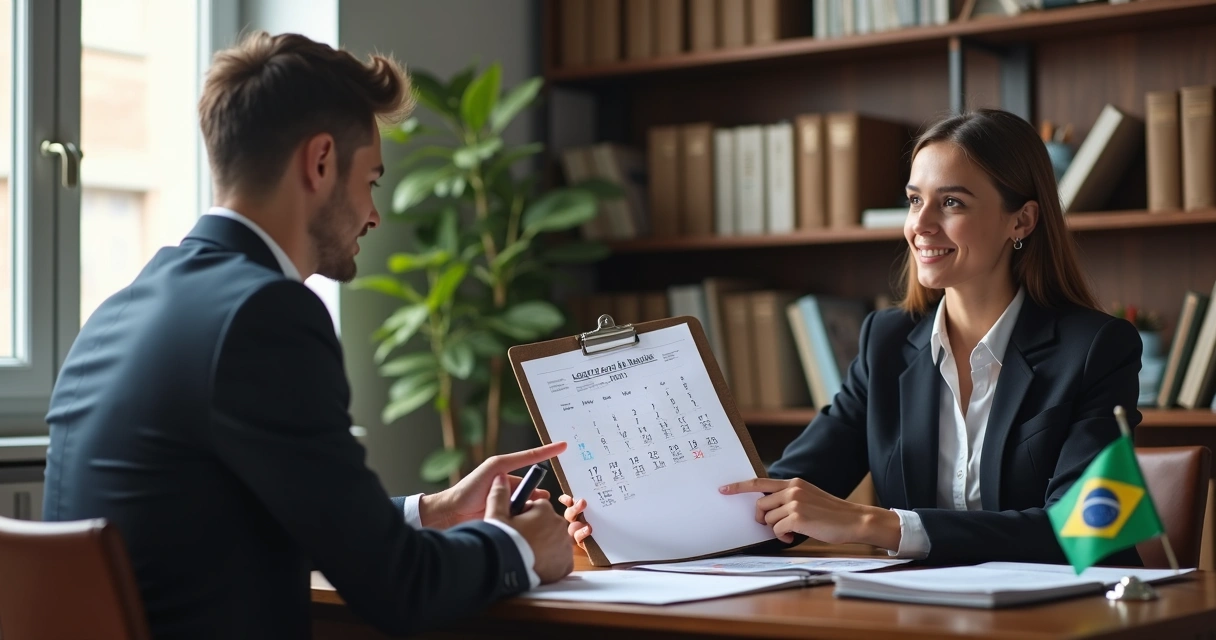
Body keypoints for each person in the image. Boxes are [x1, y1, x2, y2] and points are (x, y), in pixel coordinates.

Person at [42, 31, 573, 639]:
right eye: (371, 180)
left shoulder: (120, 310)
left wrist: (434, 511)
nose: (374, 214)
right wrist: (518, 547)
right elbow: (400, 589)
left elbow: (251, 517)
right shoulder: (264, 313)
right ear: (320, 161)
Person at [560, 108, 1143, 567]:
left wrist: (874, 524)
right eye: (914, 201)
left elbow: (1083, 532)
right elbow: (781, 497)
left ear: (1022, 220)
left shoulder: (1097, 349)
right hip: (920, 617)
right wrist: (628, 519)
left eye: (951, 202)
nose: (920, 225)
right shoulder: (887, 342)